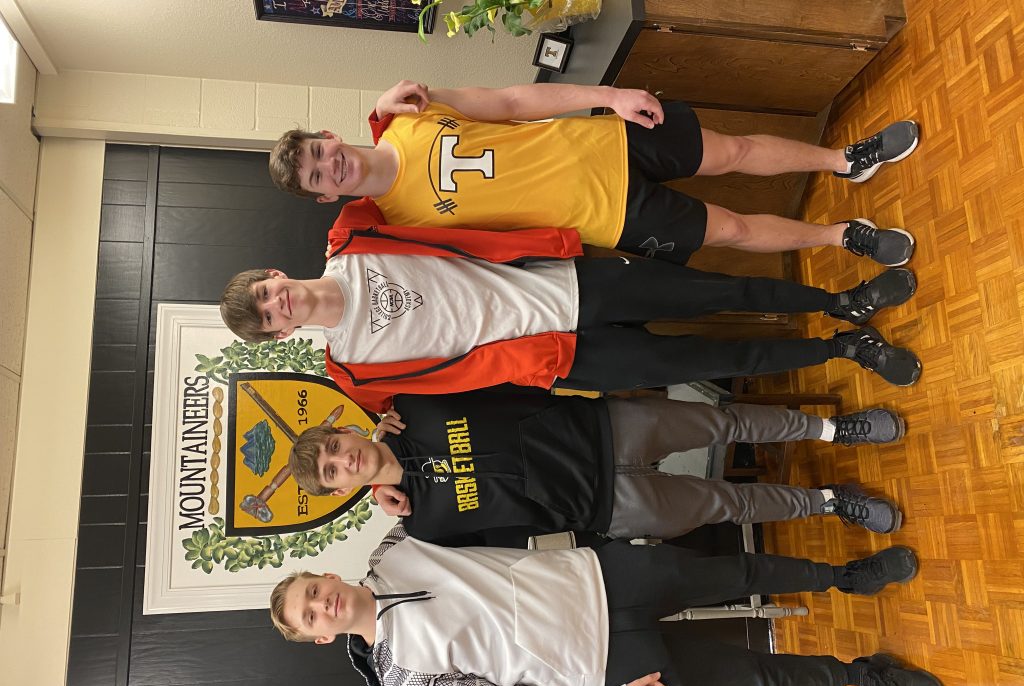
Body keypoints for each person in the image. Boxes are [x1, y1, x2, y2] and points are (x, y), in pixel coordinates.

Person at [270, 525, 946, 686]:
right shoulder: (404, 680)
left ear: (324, 575)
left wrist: (389, 440)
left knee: (736, 572)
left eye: (313, 592)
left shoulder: (394, 546)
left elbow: (444, 487)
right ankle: (866, 677)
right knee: (754, 675)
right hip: (603, 667)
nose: (321, 605)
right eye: (310, 617)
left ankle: (845, 575)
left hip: (600, 578)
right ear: (321, 636)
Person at [218, 224, 920, 413]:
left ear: (275, 275)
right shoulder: (350, 370)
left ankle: (843, 303)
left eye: (268, 293)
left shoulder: (353, 234)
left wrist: (382, 111)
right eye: (271, 318)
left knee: (720, 291)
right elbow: (378, 419)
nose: (280, 304)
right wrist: (381, 474)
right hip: (560, 360)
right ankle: (847, 349)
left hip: (572, 284)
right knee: (713, 360)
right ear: (282, 334)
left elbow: (383, 163)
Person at [268, 80, 920, 268]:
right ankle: (843, 236)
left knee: (736, 151)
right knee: (733, 229)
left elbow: (515, 101)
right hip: (608, 217)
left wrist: (609, 97)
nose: (330, 165)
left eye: (320, 152)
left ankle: (847, 160)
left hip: (608, 141)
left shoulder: (412, 113)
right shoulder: (399, 227)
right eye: (318, 176)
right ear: (326, 196)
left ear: (329, 137)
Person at [288, 391, 908, 539]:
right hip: (606, 508)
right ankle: (830, 501)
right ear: (342, 490)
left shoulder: (413, 407)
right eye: (335, 472)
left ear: (344, 429)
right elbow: (510, 541)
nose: (345, 460)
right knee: (729, 504)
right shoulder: (422, 525)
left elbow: (501, 378)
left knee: (722, 423)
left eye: (336, 447)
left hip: (604, 429)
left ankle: (835, 428)